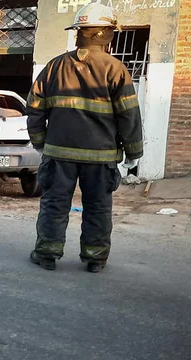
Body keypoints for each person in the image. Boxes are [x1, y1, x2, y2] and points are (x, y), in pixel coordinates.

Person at [26, 3, 143, 273]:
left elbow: (34, 109)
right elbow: (129, 115)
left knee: (54, 205)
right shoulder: (115, 69)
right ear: (104, 33)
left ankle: (47, 253)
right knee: (98, 207)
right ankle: (95, 258)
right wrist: (134, 151)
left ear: (79, 32)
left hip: (59, 154)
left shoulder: (54, 67)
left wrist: (40, 142)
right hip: (100, 157)